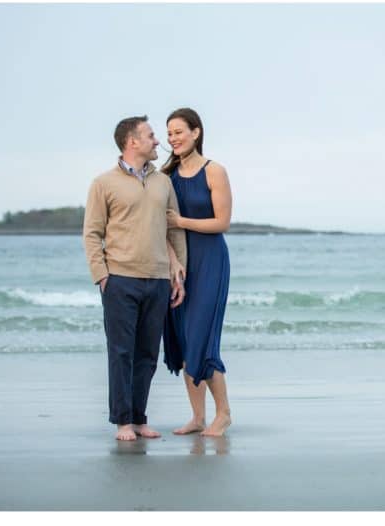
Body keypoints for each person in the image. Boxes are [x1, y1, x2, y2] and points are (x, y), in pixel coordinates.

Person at [83, 115, 187, 441]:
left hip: (157, 279)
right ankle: (122, 421)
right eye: (151, 135)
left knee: (146, 354)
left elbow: (173, 229)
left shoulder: (163, 182)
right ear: (132, 142)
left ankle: (140, 418)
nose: (158, 141)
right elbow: (92, 234)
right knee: (121, 353)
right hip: (120, 280)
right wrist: (102, 276)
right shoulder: (103, 183)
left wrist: (177, 271)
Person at [161, 108, 233, 437]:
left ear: (196, 133)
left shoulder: (214, 171)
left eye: (178, 132)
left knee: (203, 339)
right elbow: (161, 227)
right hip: (178, 264)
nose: (173, 138)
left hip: (210, 261)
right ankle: (198, 416)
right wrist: (173, 261)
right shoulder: (166, 176)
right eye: (169, 133)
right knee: (185, 338)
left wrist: (182, 222)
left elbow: (222, 222)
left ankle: (224, 413)